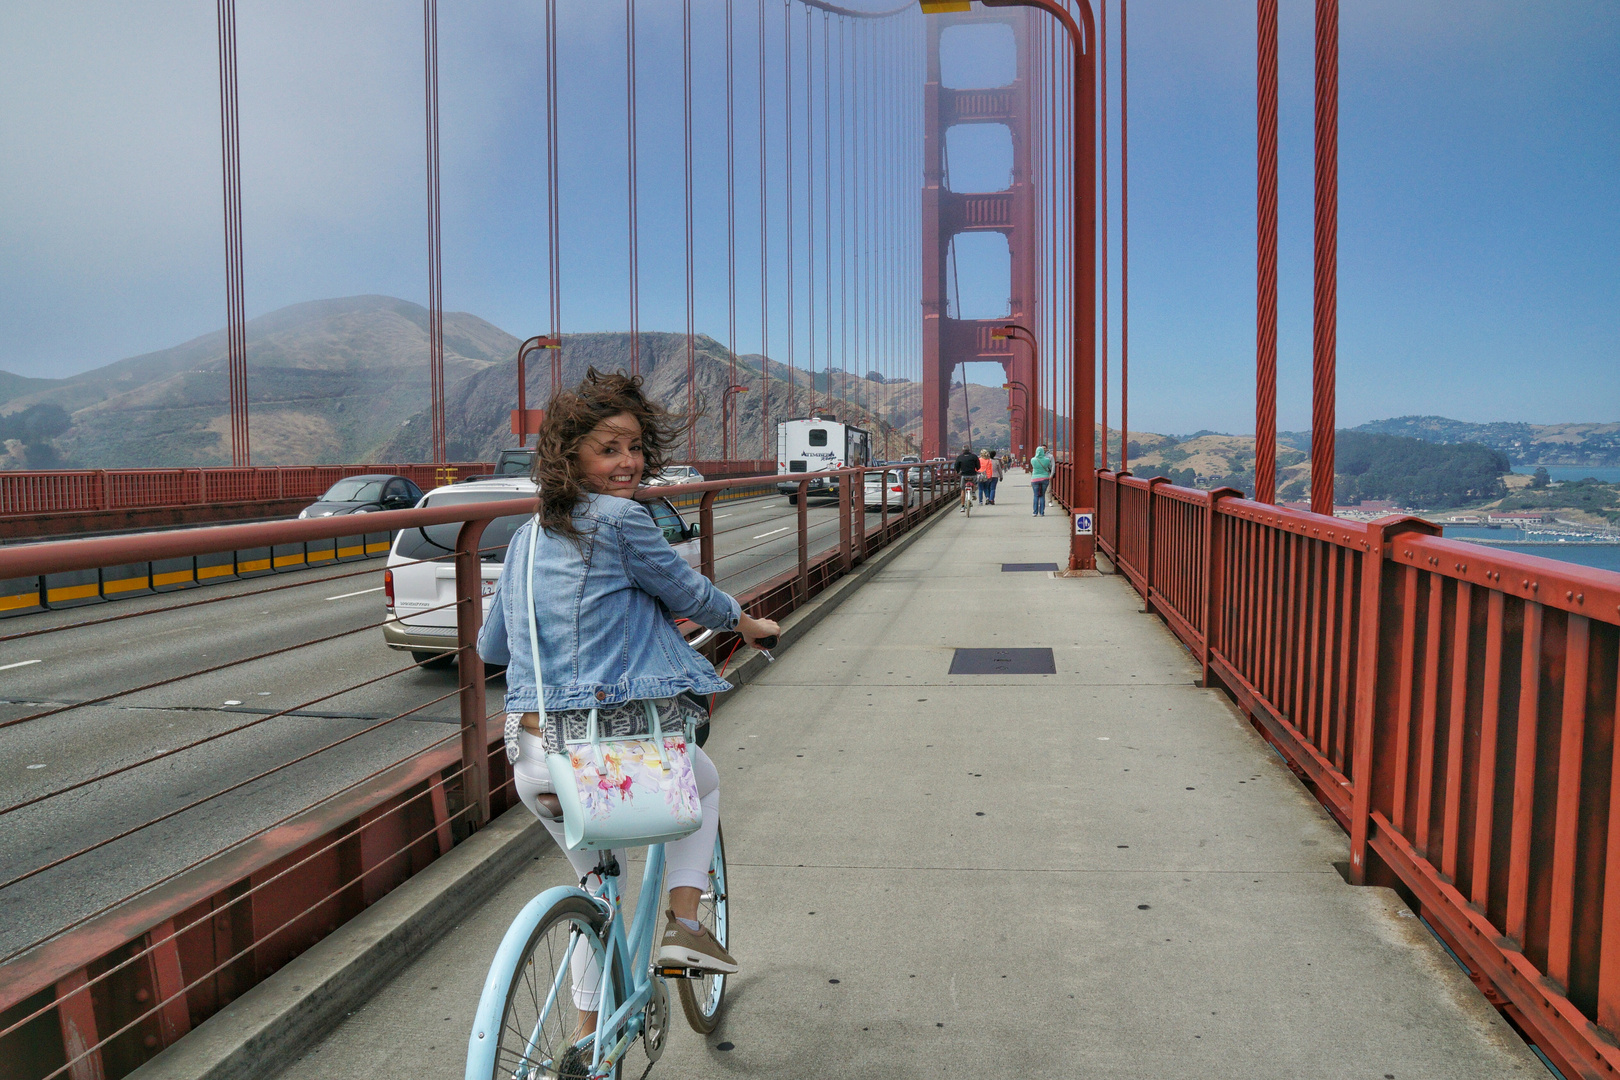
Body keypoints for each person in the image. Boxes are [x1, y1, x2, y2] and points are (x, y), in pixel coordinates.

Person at [477, 368, 780, 1032]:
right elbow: (690, 594)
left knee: (596, 898)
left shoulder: (526, 536)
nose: (629, 462)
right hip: (608, 751)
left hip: (534, 756)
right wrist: (748, 623)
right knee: (702, 786)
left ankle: (588, 1050)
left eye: (636, 447)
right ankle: (687, 927)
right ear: (570, 455)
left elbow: (490, 648)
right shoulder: (622, 519)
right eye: (609, 448)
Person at [953, 445, 980, 512]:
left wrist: (958, 471)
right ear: (969, 450)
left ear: (963, 450)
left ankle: (962, 506)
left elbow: (956, 466)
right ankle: (973, 492)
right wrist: (976, 468)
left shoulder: (960, 457)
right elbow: (978, 466)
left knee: (962, 490)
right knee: (974, 483)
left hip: (964, 475)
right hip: (972, 474)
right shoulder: (974, 456)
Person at [1029, 444, 1053, 516]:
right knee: (1042, 495)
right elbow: (1050, 467)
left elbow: (1033, 466)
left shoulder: (1033, 460)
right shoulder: (1047, 460)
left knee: (1036, 495)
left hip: (1035, 479)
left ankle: (1035, 512)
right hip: (1045, 478)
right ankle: (1042, 512)